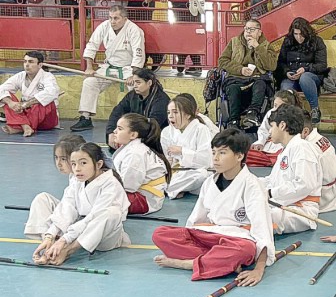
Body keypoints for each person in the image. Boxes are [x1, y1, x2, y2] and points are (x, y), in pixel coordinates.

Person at [152, 128, 275, 284]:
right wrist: (188, 235)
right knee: (160, 233)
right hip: (209, 236)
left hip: (236, 239)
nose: (215, 158)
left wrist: (258, 269)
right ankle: (220, 261)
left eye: (222, 153)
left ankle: (189, 263)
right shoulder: (210, 182)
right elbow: (195, 220)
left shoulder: (252, 185)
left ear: (239, 156)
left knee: (245, 250)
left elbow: (262, 228)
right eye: (213, 152)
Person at [32, 142, 130, 266]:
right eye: (73, 164)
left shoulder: (111, 184)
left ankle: (67, 251)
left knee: (111, 213)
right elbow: (67, 207)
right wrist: (50, 235)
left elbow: (93, 216)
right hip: (78, 227)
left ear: (99, 164)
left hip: (104, 237)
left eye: (83, 163)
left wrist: (65, 240)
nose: (77, 168)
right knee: (43, 199)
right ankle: (49, 247)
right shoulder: (77, 179)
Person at [70, 5, 146, 132]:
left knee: (135, 87)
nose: (112, 21)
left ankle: (137, 119)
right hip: (109, 67)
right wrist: (89, 67)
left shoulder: (134, 30)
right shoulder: (104, 26)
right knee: (90, 82)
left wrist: (134, 75)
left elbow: (139, 53)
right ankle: (85, 118)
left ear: (125, 18)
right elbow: (92, 44)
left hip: (129, 68)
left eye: (116, 18)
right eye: (110, 18)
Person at [260, 104, 322, 234]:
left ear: (282, 125)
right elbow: (272, 180)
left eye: (272, 126)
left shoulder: (302, 148)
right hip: (286, 204)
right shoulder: (287, 149)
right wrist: (252, 183)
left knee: (257, 217)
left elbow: (304, 184)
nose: (270, 131)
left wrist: (271, 193)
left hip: (301, 210)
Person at [217, 19, 277, 129]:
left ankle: (252, 114)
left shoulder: (266, 45)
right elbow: (222, 61)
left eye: (252, 29)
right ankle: (233, 121)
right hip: (236, 78)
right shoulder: (234, 42)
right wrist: (240, 69)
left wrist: (258, 47)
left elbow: (272, 66)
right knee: (232, 88)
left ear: (259, 32)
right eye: (246, 29)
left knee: (261, 84)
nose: (248, 32)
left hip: (256, 78)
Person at [24, 134, 86, 239]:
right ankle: (47, 240)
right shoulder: (73, 176)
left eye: (63, 159)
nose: (58, 163)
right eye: (56, 158)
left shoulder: (81, 179)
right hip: (73, 217)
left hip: (83, 223)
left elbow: (70, 209)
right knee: (42, 199)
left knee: (48, 208)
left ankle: (50, 241)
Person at [112, 113, 171, 214]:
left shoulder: (136, 153)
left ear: (133, 135)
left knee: (99, 196)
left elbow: (128, 186)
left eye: (120, 129)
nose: (114, 131)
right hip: (140, 194)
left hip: (143, 199)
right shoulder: (133, 147)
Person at [275, 17, 328, 125]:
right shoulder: (288, 42)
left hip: (311, 76)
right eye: (296, 34)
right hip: (292, 76)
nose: (299, 37)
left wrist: (306, 69)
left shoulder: (317, 41)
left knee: (305, 78)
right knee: (285, 88)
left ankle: (315, 110)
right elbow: (280, 62)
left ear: (307, 32)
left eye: (301, 34)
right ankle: (290, 116)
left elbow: (322, 65)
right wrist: (286, 72)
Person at [161, 94, 214, 199]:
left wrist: (182, 151)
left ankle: (172, 189)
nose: (170, 116)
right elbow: (167, 160)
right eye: (168, 112)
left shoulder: (201, 129)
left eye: (175, 112)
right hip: (176, 173)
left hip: (196, 171)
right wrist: (169, 162)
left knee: (202, 175)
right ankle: (178, 188)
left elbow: (206, 160)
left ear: (188, 115)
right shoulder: (166, 132)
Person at [0, 51, 60, 137]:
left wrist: (27, 104)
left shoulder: (48, 76)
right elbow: (2, 89)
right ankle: (25, 126)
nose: (27, 65)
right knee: (6, 97)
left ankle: (19, 127)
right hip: (26, 113)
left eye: (31, 62)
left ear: (40, 65)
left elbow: (51, 92)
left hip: (45, 119)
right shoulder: (20, 76)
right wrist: (11, 103)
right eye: (25, 61)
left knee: (43, 101)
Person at [105, 68, 169, 148]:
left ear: (149, 83)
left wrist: (128, 137)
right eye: (134, 82)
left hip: (155, 139)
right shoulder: (131, 96)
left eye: (138, 82)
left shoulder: (161, 100)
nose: (135, 86)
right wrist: (111, 133)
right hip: (135, 133)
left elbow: (153, 125)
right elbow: (117, 113)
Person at [247, 89, 301, 167]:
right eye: (275, 105)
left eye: (280, 106)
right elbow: (263, 130)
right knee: (249, 153)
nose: (276, 109)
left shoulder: (294, 116)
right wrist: (261, 142)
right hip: (270, 144)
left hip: (284, 146)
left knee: (284, 157)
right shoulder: (271, 113)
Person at [301, 110, 336, 213]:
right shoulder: (319, 138)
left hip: (320, 198)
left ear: (305, 131)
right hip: (332, 194)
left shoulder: (308, 147)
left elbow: (303, 183)